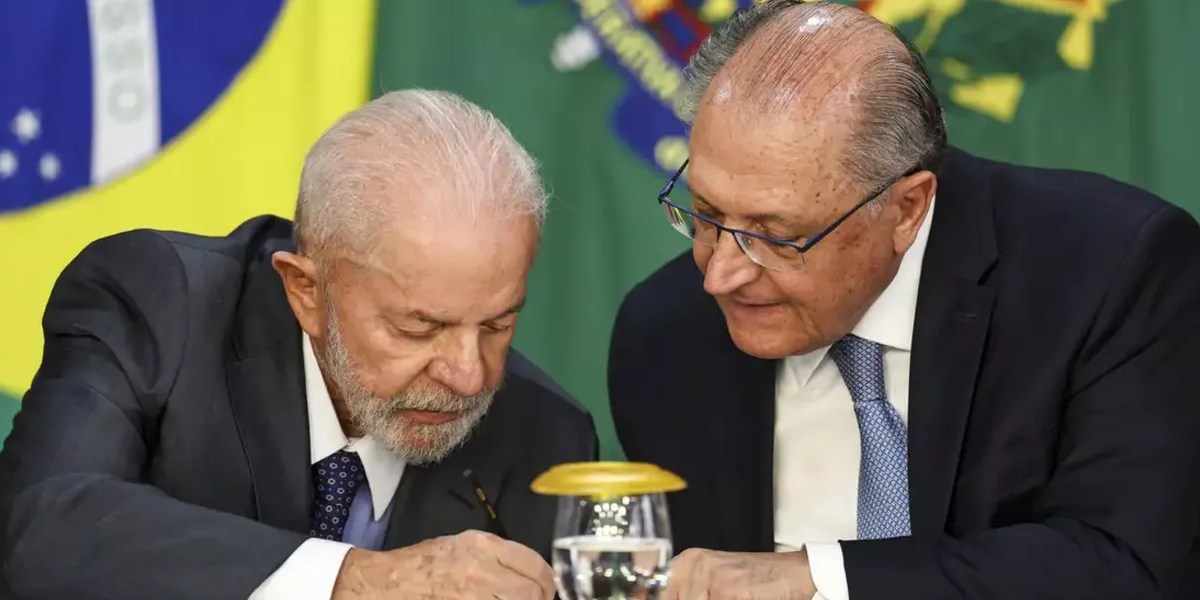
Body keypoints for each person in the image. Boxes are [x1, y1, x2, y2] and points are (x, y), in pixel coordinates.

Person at [608, 2, 1200, 598]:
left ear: (906, 209)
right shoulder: (665, 336)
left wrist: (821, 577)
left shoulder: (1110, 274)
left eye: (777, 237)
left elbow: (1127, 566)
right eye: (706, 214)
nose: (720, 276)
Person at [0, 89, 596, 600]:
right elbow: (41, 528)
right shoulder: (161, 307)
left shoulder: (547, 438)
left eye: (497, 325)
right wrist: (352, 579)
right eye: (419, 328)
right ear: (306, 291)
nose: (469, 376)